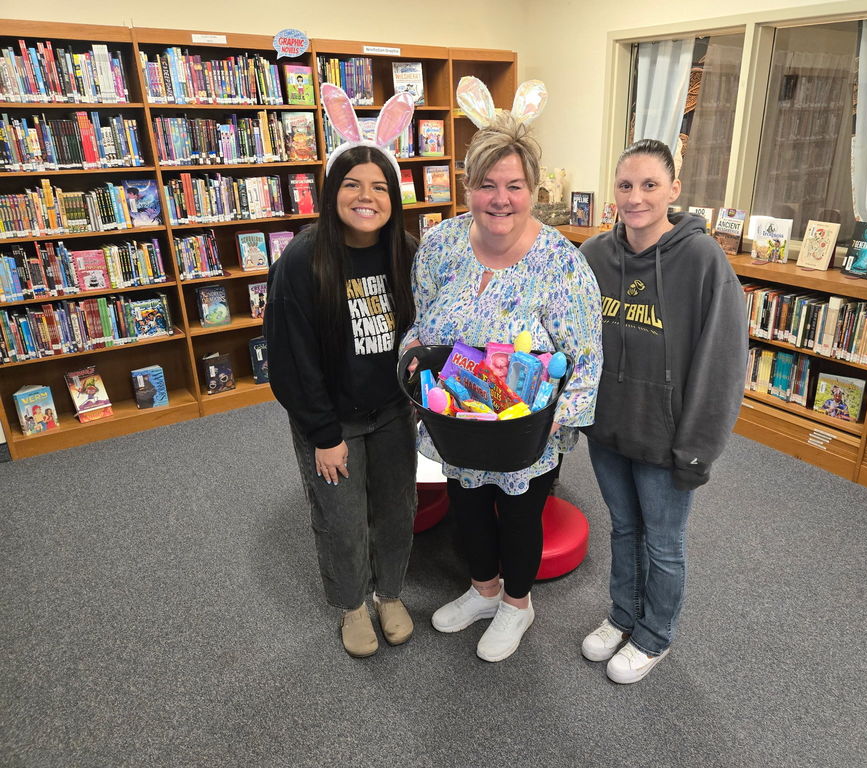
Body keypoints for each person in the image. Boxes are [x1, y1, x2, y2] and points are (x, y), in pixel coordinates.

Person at [402, 79, 602, 663]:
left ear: (533, 189)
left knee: (519, 514)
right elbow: (421, 322)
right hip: (458, 419)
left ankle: (518, 603)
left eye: (514, 185)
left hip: (525, 430)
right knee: (466, 510)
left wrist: (553, 425)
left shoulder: (561, 262)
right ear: (467, 186)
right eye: (486, 184)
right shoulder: (439, 246)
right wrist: (414, 364)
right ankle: (483, 590)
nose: (500, 198)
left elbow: (585, 355)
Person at [579, 138, 748, 684]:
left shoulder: (702, 260)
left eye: (650, 184)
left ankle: (655, 635)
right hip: (608, 431)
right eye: (626, 185)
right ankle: (622, 616)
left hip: (667, 436)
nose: (636, 197)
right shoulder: (595, 256)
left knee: (665, 544)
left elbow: (721, 364)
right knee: (624, 529)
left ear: (673, 190)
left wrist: (698, 448)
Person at [265, 91, 419, 658]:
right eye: (353, 183)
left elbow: (420, 339)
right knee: (341, 515)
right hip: (332, 421)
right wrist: (323, 434)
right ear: (332, 192)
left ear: (393, 197)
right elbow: (290, 359)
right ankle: (353, 605)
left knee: (397, 507)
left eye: (380, 186)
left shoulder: (406, 252)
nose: (366, 196)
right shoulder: (304, 261)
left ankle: (391, 593)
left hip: (392, 413)